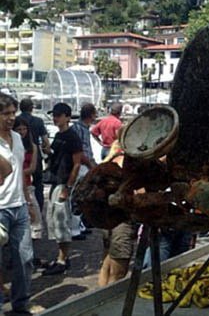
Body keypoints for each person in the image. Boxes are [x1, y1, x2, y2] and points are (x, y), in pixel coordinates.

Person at [0, 93, 34, 313]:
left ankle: (20, 305)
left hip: (19, 205)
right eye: (5, 114)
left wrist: (27, 199)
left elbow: (20, 171)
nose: (11, 117)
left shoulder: (18, 138)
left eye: (13, 113)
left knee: (25, 258)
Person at [43, 103, 82, 276]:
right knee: (54, 222)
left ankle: (62, 259)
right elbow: (57, 156)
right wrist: (48, 152)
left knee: (61, 222)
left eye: (58, 115)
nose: (55, 118)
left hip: (62, 183)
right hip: (55, 180)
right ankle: (61, 257)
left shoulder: (72, 136)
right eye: (54, 115)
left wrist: (68, 187)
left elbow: (77, 163)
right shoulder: (59, 135)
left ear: (67, 116)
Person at [97, 129, 138, 286]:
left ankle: (98, 301)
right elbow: (138, 191)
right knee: (118, 272)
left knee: (106, 264)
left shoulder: (111, 158)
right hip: (122, 220)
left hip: (107, 218)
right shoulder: (125, 161)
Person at [17, 98, 50, 212]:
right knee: (38, 184)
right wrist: (47, 152)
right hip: (35, 155)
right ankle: (38, 209)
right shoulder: (38, 121)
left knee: (20, 182)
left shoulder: (16, 120)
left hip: (19, 155)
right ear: (32, 108)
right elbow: (45, 140)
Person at [70, 103, 98, 239]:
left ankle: (80, 225)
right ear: (91, 115)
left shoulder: (83, 128)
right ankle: (74, 229)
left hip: (85, 165)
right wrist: (90, 164)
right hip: (81, 166)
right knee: (78, 196)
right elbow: (80, 151)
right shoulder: (79, 129)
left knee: (83, 196)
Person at [14, 117, 43, 241]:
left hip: (27, 184)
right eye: (19, 129)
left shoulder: (32, 146)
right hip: (13, 187)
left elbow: (32, 168)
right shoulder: (10, 144)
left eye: (24, 129)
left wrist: (16, 172)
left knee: (35, 218)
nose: (22, 132)